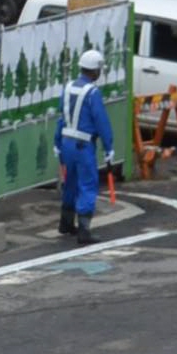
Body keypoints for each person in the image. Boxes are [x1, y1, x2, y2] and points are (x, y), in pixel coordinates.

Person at [56, 45, 117, 243]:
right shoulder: (92, 93)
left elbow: (61, 118)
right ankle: (84, 230)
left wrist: (57, 142)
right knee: (87, 184)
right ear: (95, 70)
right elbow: (101, 122)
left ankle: (65, 223)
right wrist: (109, 147)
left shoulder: (67, 88)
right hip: (84, 146)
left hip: (66, 143)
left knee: (70, 183)